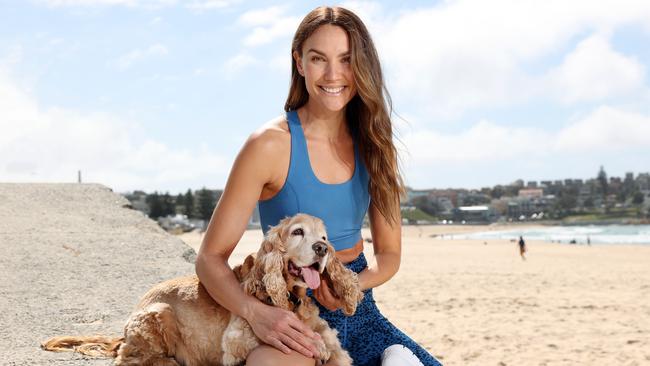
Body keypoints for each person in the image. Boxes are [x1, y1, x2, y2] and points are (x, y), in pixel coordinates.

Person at [195, 6, 442, 366]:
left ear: (362, 66)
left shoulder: (374, 143)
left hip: (359, 311)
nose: (333, 74)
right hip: (291, 315)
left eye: (346, 60)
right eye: (318, 59)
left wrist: (352, 286)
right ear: (299, 63)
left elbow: (389, 257)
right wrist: (255, 313)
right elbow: (209, 258)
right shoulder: (268, 145)